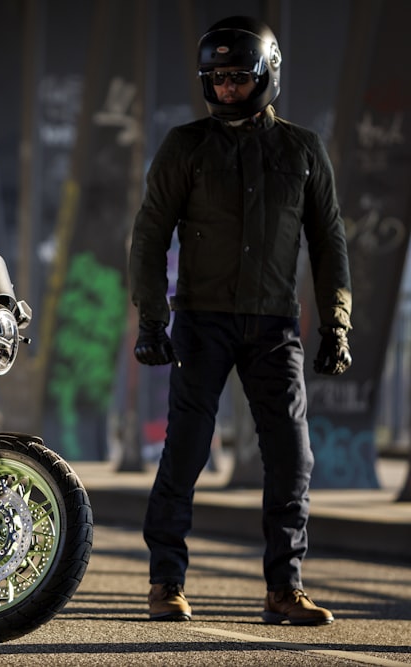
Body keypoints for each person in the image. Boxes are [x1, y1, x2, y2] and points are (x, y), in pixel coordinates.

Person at [127, 16, 352, 626]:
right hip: (200, 323)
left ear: (268, 74)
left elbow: (329, 241)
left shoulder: (303, 150)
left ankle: (285, 590)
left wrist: (337, 323)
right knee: (187, 452)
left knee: (292, 458)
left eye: (239, 77)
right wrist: (151, 320)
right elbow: (149, 237)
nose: (227, 88)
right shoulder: (185, 145)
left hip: (275, 326)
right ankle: (165, 583)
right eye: (217, 78)